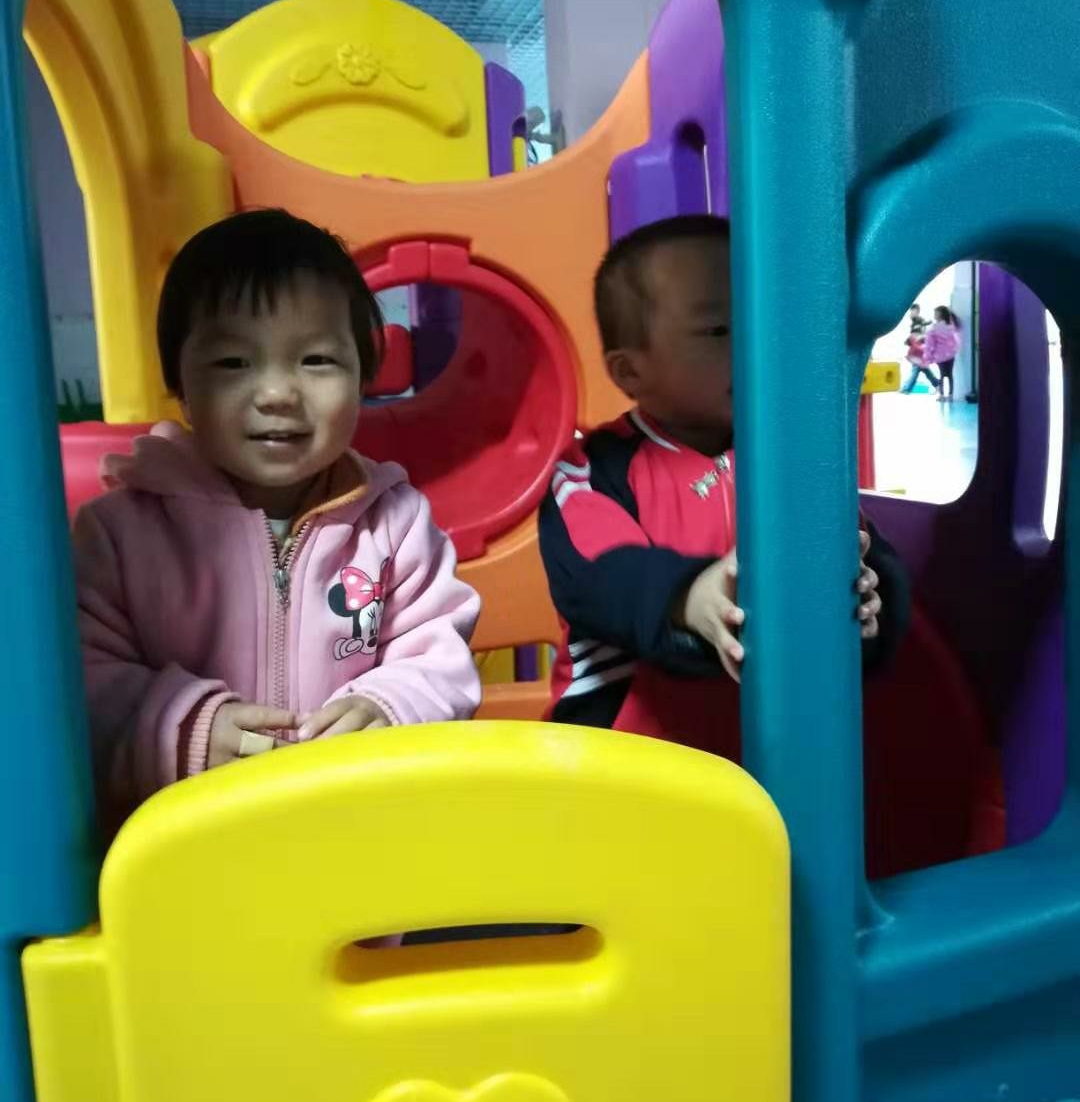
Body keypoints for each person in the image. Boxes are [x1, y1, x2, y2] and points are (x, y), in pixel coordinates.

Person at [74, 209, 481, 834]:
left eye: (316, 360)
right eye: (233, 363)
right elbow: (78, 684)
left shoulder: (396, 524)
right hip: (179, 844)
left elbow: (438, 654)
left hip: (351, 831)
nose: (277, 394)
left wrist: (390, 705)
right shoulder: (118, 534)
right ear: (178, 382)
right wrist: (183, 727)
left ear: (364, 377)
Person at [538, 213, 908, 757]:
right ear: (630, 372)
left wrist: (870, 601)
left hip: (775, 747)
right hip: (627, 750)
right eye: (718, 330)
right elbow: (603, 576)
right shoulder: (593, 471)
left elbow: (861, 548)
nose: (755, 344)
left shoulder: (796, 458)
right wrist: (689, 599)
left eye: (763, 317)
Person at [923, 304, 962, 402]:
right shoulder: (951, 327)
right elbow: (955, 341)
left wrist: (928, 357)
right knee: (949, 375)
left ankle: (942, 395)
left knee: (942, 375)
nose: (934, 315)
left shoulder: (934, 329)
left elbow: (930, 345)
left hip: (940, 356)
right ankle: (950, 395)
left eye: (935, 313)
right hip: (950, 355)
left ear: (940, 315)